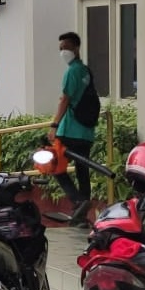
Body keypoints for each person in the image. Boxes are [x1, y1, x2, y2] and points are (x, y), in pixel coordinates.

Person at [48, 31, 96, 227]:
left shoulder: (71, 72)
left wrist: (54, 125)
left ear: (76, 48)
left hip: (69, 131)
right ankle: (82, 216)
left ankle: (78, 201)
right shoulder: (86, 71)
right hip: (86, 132)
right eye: (60, 49)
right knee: (82, 170)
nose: (63, 52)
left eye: (66, 48)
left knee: (55, 167)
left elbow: (65, 99)